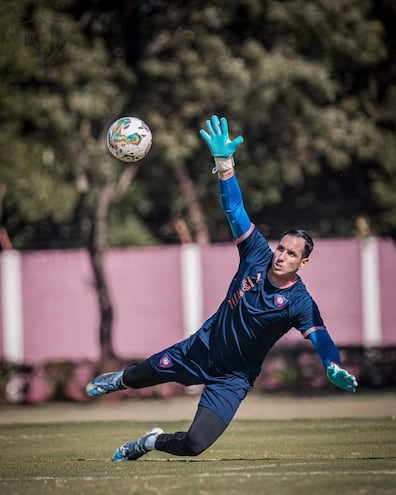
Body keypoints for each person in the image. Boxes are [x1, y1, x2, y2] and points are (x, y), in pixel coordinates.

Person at [86, 115, 358, 462]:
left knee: (194, 445)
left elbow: (321, 337)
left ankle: (148, 443)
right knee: (141, 375)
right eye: (281, 248)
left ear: (302, 264)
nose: (282, 256)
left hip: (233, 379)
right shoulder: (257, 253)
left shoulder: (299, 302)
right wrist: (224, 164)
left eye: (292, 254)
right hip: (201, 348)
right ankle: (120, 380)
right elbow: (234, 208)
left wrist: (332, 364)